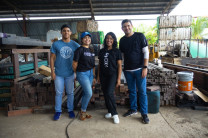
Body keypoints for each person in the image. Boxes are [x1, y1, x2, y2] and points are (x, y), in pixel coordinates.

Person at [119, 19, 150, 124]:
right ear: (122, 28)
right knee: (132, 91)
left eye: (128, 25)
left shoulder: (140, 36)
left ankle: (144, 113)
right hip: (128, 71)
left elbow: (146, 52)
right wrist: (122, 68)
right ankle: (133, 109)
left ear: (132, 25)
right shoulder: (122, 40)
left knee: (142, 92)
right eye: (124, 26)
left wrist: (145, 67)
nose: (126, 28)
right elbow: (122, 56)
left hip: (140, 69)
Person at [50, 24, 80, 121]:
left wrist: (77, 72)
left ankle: (70, 110)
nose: (66, 32)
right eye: (64, 31)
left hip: (70, 73)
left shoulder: (75, 45)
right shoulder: (56, 44)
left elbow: (81, 56)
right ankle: (58, 111)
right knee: (58, 93)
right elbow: (52, 58)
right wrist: (52, 72)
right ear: (61, 32)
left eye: (68, 30)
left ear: (71, 32)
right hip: (58, 73)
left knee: (70, 93)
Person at [97, 32, 122, 124]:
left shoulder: (117, 51)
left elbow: (119, 65)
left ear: (114, 40)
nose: (109, 40)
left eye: (111, 38)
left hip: (112, 75)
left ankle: (115, 114)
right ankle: (110, 112)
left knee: (109, 92)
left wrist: (118, 79)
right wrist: (98, 76)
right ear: (105, 40)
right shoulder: (102, 51)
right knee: (105, 93)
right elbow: (99, 65)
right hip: (103, 75)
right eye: (107, 38)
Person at [72, 32, 96, 121]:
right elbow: (74, 64)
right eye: (85, 38)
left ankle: (83, 111)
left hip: (90, 74)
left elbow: (93, 65)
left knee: (87, 93)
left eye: (89, 38)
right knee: (89, 93)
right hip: (82, 73)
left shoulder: (91, 50)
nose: (87, 39)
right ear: (82, 40)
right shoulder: (79, 50)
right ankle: (82, 111)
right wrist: (78, 73)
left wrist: (93, 76)